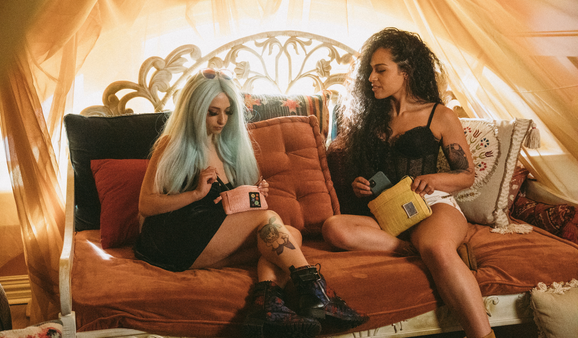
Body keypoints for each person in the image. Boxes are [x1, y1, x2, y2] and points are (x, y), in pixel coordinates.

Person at [133, 68, 367, 338]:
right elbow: (146, 205)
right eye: (213, 112)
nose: (222, 120)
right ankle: (316, 293)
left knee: (289, 234)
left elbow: (226, 210)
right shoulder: (171, 144)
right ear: (194, 110)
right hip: (173, 240)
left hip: (209, 239)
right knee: (266, 219)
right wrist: (195, 194)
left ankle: (268, 305)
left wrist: (252, 192)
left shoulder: (225, 146)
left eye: (228, 111)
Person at [322, 28, 495, 338]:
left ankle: (483, 335)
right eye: (370, 70)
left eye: (380, 69)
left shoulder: (440, 116)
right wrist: (360, 185)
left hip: (434, 205)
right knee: (333, 228)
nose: (371, 78)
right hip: (390, 212)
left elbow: (466, 176)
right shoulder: (369, 118)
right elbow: (371, 177)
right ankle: (412, 249)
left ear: (406, 70)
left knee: (436, 247)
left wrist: (433, 179)